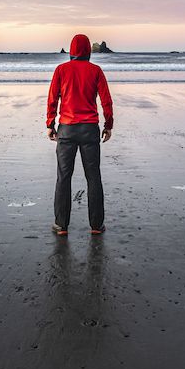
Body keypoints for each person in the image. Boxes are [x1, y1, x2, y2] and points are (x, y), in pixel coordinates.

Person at [46, 34, 113, 236]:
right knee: (93, 177)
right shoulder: (96, 71)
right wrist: (108, 124)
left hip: (66, 129)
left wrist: (50, 123)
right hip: (90, 129)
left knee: (63, 177)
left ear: (71, 51)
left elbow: (52, 99)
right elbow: (106, 101)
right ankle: (96, 225)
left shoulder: (61, 70)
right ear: (88, 51)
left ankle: (61, 225)